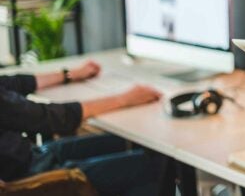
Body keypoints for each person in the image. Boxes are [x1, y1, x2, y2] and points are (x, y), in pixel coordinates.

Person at [0, 60, 164, 196]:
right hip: (27, 182)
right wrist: (125, 99)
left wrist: (68, 75)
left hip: (29, 157)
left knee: (130, 143)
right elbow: (52, 119)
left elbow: (11, 83)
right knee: (154, 166)